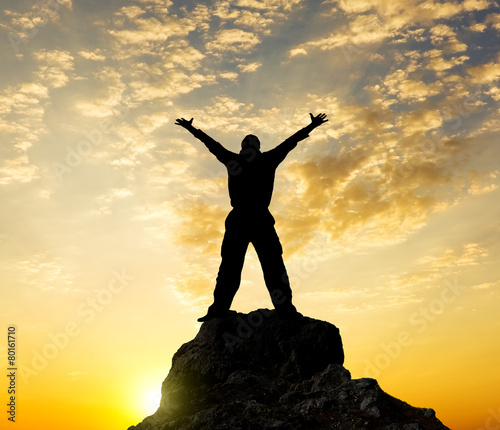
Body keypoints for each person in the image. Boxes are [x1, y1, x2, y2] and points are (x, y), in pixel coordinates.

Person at [175, 113, 328, 322]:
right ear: (257, 147)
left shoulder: (235, 159)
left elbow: (211, 144)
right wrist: (311, 126)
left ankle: (221, 309)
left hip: (241, 219)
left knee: (233, 268)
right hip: (259, 219)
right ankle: (283, 310)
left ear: (246, 147)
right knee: (270, 267)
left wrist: (192, 129)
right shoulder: (267, 159)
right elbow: (290, 142)